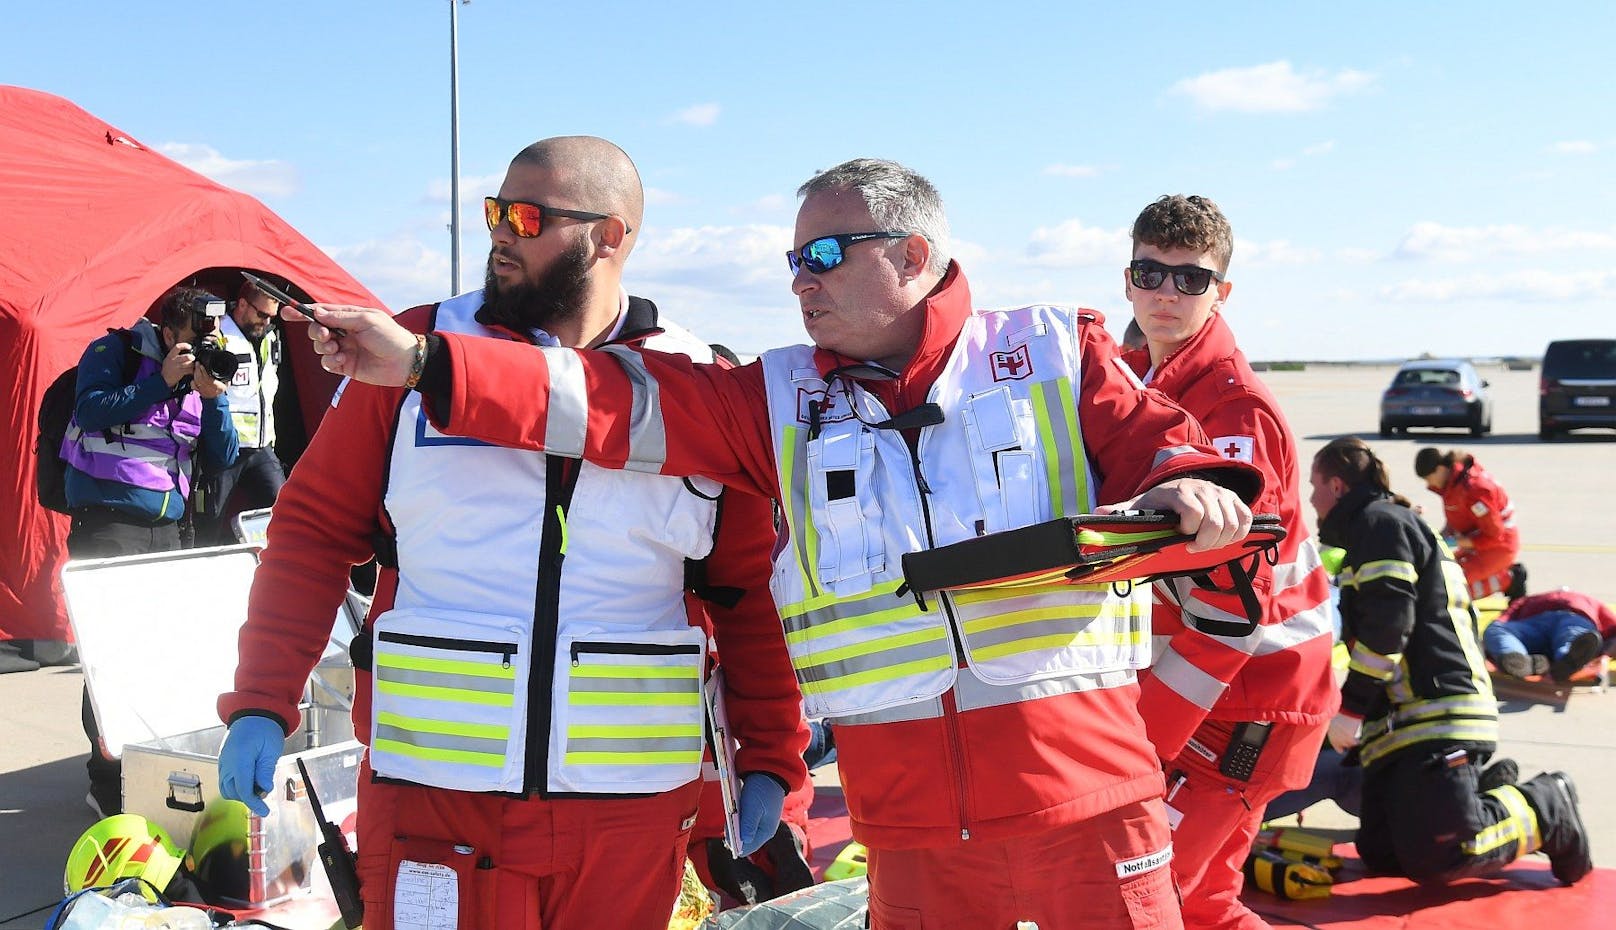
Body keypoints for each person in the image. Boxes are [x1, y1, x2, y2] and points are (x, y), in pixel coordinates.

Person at [291, 157, 1269, 929]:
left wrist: (1191, 490)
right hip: (912, 829)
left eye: (826, 255)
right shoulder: (775, 399)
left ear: (914, 253)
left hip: (1087, 803)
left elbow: (1172, 461)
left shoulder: (1052, 353)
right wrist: (422, 360)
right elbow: (601, 399)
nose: (800, 281)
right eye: (792, 261)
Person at [214, 137, 807, 930]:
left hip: (628, 815)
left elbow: (745, 596)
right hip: (434, 799)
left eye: (526, 217)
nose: (499, 233)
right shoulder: (409, 355)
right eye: (494, 211)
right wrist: (261, 699)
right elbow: (313, 531)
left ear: (610, 236)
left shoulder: (697, 384)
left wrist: (770, 755)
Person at [1119, 195, 1337, 930]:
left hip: (1247, 703)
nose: (1166, 294)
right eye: (1151, 273)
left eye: (1190, 279)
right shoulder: (1139, 381)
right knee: (1207, 906)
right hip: (1220, 697)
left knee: (1149, 902)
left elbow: (1236, 609)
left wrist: (1140, 748)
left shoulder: (1232, 410)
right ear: (1128, 280)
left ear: (1221, 292)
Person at [1310, 437, 1590, 886]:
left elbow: (1388, 625)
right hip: (1402, 724)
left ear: (1338, 487)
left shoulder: (1380, 524)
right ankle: (1474, 795)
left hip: (1438, 713)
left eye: (1314, 487)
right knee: (1383, 852)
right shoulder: (1377, 527)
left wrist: (1350, 708)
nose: (1311, 501)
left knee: (1443, 854)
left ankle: (1547, 804)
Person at [64, 285, 239, 816]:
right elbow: (90, 411)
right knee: (110, 658)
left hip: (171, 533)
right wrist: (159, 384)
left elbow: (225, 453)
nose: (201, 349)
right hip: (110, 524)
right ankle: (106, 777)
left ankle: (147, 768)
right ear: (167, 335)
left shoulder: (199, 378)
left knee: (161, 655)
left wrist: (213, 400)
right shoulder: (112, 354)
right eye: (192, 341)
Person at [193, 280, 291, 545]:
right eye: (262, 315)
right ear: (243, 305)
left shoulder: (270, 336)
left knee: (285, 513)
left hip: (261, 447)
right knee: (209, 523)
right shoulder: (218, 334)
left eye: (272, 317)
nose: (267, 322)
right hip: (226, 447)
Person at [1413, 447, 1524, 600]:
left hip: (1498, 546)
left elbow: (1494, 535)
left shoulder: (1476, 490)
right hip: (1474, 541)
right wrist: (1440, 539)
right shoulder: (1452, 483)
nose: (1428, 484)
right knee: (1438, 573)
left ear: (1439, 469)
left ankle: (1510, 579)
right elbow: (1457, 518)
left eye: (1428, 478)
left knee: (1452, 587)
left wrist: (1455, 541)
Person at [1485, 588, 1614, 683]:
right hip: (1542, 623)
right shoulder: (1587, 600)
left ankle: (1568, 659)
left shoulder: (1589, 601)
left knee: (1573, 634)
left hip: (1569, 619)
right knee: (1497, 630)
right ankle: (1521, 660)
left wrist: (1605, 653)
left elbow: (1508, 614)